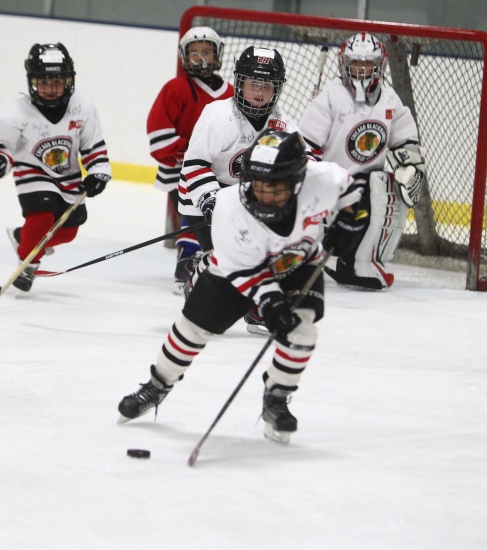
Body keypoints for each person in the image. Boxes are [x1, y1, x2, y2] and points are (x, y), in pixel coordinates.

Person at [117, 128, 364, 446]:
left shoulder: (321, 178)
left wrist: (351, 218)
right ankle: (157, 385)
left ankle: (276, 399)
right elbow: (246, 271)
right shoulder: (229, 208)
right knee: (191, 328)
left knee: (301, 332)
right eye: (258, 186)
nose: (264, 196)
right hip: (237, 271)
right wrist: (270, 302)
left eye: (275, 188)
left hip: (298, 262)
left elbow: (353, 188)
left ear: (297, 181)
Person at [178, 45, 304, 333]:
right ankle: (201, 278)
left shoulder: (282, 123)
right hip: (205, 196)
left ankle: (258, 308)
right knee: (234, 256)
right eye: (253, 83)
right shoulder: (218, 115)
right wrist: (210, 199)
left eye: (267, 85)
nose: (259, 92)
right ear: (240, 82)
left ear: (277, 89)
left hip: (250, 203)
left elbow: (304, 161)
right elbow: (195, 163)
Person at [298, 32, 426, 290]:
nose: (361, 69)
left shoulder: (389, 98)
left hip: (366, 183)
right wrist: (314, 182)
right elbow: (306, 145)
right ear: (344, 64)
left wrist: (411, 167)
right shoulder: (331, 96)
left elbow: (405, 140)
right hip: (330, 182)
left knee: (388, 190)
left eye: (368, 64)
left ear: (380, 66)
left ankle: (361, 261)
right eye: (355, 62)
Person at [0, 43, 111, 292]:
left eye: (57, 82)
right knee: (41, 217)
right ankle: (28, 265)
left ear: (69, 80)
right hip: (32, 169)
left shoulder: (82, 105)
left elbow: (92, 142)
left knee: (69, 231)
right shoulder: (19, 111)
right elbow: (0, 140)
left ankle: (23, 238)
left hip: (68, 173)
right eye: (43, 82)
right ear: (31, 81)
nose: (50, 89)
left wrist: (98, 171)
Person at [147, 26, 233, 294]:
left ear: (218, 54)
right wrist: (191, 153)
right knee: (195, 209)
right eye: (195, 52)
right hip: (179, 171)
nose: (202, 57)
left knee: (217, 220)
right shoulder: (175, 88)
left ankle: (210, 262)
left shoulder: (232, 92)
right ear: (184, 56)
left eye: (207, 51)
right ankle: (186, 259)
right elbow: (158, 136)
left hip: (220, 172)